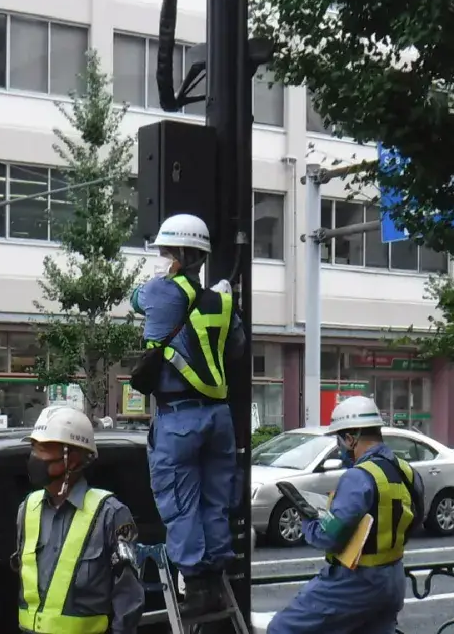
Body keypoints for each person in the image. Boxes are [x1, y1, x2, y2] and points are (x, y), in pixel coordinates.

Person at [130, 213, 246, 616]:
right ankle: (214, 576)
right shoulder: (221, 300)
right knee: (215, 501)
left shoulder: (163, 291)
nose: (159, 258)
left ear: (178, 254)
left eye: (164, 251)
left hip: (178, 416)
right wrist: (220, 297)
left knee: (181, 502)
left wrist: (163, 279)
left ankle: (195, 585)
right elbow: (236, 349)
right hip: (219, 417)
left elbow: (135, 300)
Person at [268, 396, 425, 634]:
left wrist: (309, 518)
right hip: (393, 578)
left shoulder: (358, 477)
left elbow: (328, 536)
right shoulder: (407, 471)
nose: (339, 447)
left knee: (281, 629)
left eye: (339, 440)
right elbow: (415, 520)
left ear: (351, 439)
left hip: (355, 581)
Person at [14, 406, 145, 634]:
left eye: (43, 449)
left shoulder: (110, 514)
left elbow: (128, 597)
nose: (34, 457)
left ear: (72, 459)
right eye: (33, 447)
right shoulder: (28, 509)